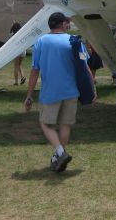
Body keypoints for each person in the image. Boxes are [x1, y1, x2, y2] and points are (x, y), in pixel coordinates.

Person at [24, 12, 80, 173]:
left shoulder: (41, 41)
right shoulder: (73, 40)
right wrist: (92, 88)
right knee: (65, 125)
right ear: (62, 24)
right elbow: (84, 67)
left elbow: (35, 71)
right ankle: (59, 156)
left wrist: (29, 96)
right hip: (71, 91)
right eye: (67, 22)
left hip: (50, 92)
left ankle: (61, 153)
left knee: (45, 123)